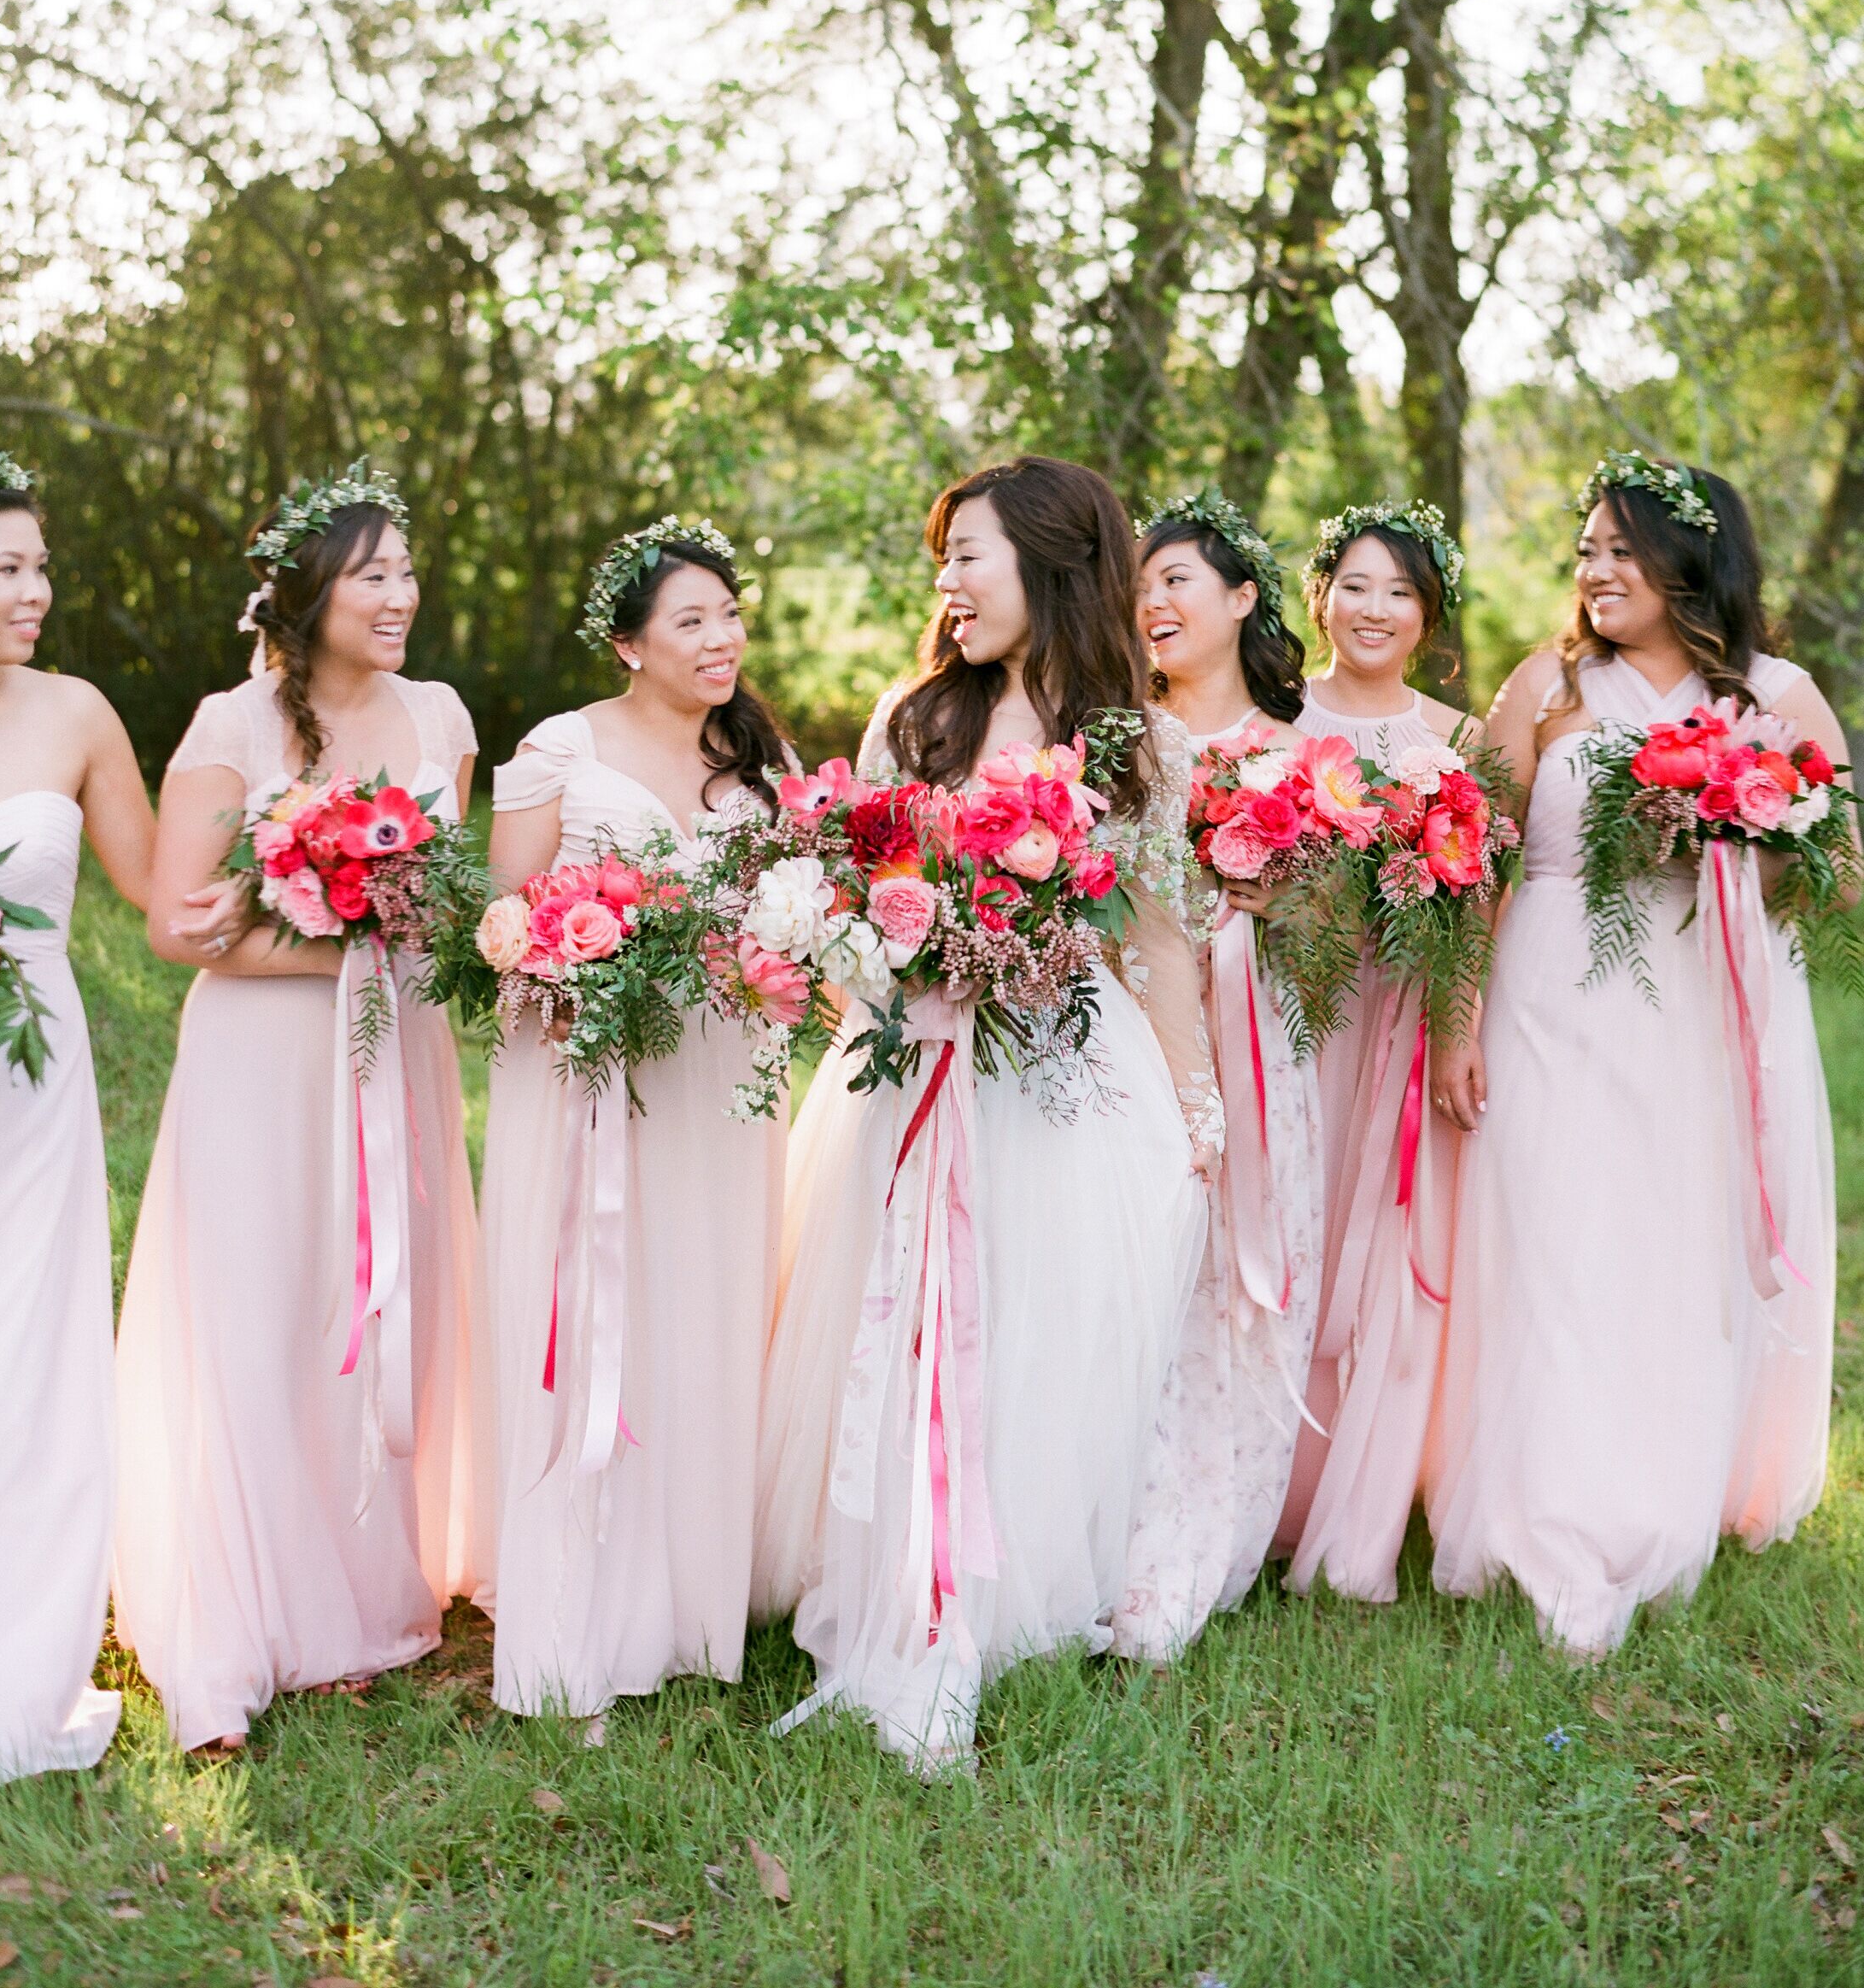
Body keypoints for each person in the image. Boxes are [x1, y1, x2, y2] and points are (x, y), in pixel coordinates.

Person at [753, 456, 1210, 1773]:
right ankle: (901, 1583)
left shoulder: (1139, 741)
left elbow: (1162, 938)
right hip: (917, 1060)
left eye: (972, 555)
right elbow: (864, 886)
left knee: (1035, 1332)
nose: (947, 583)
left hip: (1067, 1071)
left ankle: (999, 1592)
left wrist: (1196, 1108)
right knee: (898, 1327)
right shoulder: (918, 716)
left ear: (1054, 566)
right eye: (942, 558)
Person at [1428, 454, 1841, 1651]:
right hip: (1550, 998)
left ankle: (1654, 1491)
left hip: (1701, 1013)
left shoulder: (1778, 694)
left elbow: (1838, 871)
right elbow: (1471, 853)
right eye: (1586, 550)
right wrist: (1455, 1018)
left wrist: (1732, 831)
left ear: (1689, 561)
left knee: (1665, 1253)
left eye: (1623, 549)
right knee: (1556, 1241)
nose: (1596, 571)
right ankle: (1552, 1520)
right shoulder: (1549, 686)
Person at [114, 462, 484, 1751]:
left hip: (396, 1055)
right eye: (372, 574)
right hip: (266, 1058)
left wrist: (397, 937)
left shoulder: (440, 716)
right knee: (265, 1302)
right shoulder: (230, 726)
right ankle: (249, 1592)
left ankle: (372, 1567)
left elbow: (445, 903)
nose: (401, 594)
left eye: (405, 569)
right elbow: (174, 923)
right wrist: (345, 942)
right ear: (310, 592)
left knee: (377, 1295)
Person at [478, 521, 791, 1728]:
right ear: (627, 641)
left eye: (730, 614)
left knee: (699, 1304)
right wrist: (569, 967)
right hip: (588, 1074)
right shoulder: (562, 748)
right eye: (691, 621)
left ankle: (685, 1608)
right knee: (597, 1309)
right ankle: (576, 1616)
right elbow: (505, 922)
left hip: (720, 1074)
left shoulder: (757, 758)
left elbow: (786, 917)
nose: (722, 639)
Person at [0, 455, 165, 1797]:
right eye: (7, 566)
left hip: (23, 1084)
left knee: (12, 1338)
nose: (38, 590)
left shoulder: (75, 711)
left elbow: (164, 897)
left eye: (43, 567)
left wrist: (335, 881)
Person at [1113, 485, 1324, 1656]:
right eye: (1140, 584)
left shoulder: (1307, 759)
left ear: (1243, 596)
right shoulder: (1116, 740)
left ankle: (1213, 1519)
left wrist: (1285, 897)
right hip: (1137, 1036)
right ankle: (1106, 1512)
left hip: (1264, 1043)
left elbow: (1353, 940)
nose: (1154, 601)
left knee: (1244, 1278)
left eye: (1178, 579)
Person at [1279, 500, 1476, 1600]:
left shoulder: (1455, 741)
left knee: (1378, 1249)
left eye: (1400, 591)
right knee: (1290, 1234)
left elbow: (1476, 904)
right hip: (1292, 1012)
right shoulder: (1274, 725)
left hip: (1396, 1021)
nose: (1374, 608)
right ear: (1319, 598)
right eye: (1355, 584)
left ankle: (1357, 1498)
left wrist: (1458, 1027)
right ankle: (1271, 1485)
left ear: (1428, 612)